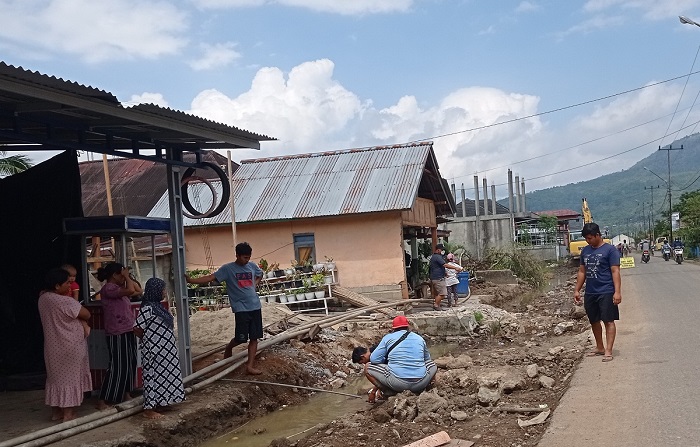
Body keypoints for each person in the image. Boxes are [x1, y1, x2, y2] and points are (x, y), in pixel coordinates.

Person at [186, 242, 264, 375]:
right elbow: (211, 277)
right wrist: (191, 280)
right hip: (241, 308)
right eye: (244, 257)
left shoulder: (252, 266)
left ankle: (250, 366)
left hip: (255, 306)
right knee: (241, 338)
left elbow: (260, 274)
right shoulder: (228, 269)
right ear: (237, 255)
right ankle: (229, 348)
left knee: (254, 337)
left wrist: (254, 285)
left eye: (248, 257)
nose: (247, 260)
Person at [37, 268, 92, 422]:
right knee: (70, 379)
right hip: (70, 345)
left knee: (55, 379)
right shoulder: (65, 301)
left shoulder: (43, 298)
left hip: (52, 347)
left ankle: (56, 412)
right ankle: (68, 414)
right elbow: (86, 314)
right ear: (56, 285)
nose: (70, 285)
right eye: (67, 283)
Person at [133, 278, 185, 419]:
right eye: (162, 289)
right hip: (154, 350)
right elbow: (137, 328)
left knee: (165, 376)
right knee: (152, 377)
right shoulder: (148, 308)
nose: (164, 292)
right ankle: (149, 409)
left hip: (166, 350)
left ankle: (162, 402)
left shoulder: (158, 307)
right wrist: (149, 339)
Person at [95, 262, 142, 410]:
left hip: (127, 329)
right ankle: (103, 399)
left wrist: (127, 276)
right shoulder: (109, 288)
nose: (124, 278)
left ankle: (126, 393)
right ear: (115, 275)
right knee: (118, 366)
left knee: (130, 363)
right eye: (121, 275)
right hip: (117, 332)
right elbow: (130, 290)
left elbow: (137, 290)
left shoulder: (119, 289)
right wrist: (127, 277)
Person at [574, 223, 621, 363]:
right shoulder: (586, 251)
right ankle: (599, 347)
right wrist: (577, 289)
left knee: (608, 320)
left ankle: (608, 350)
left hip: (606, 291)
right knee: (594, 320)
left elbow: (615, 271)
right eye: (586, 239)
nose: (588, 241)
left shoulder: (610, 250)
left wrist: (617, 292)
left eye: (590, 238)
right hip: (590, 292)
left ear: (598, 235)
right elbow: (582, 271)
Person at [363, 316, 437, 399]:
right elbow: (427, 359)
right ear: (408, 326)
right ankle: (428, 388)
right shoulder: (419, 339)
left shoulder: (388, 338)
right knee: (432, 364)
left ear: (393, 328)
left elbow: (374, 360)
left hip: (398, 384)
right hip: (420, 383)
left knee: (367, 367)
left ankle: (389, 392)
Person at [428, 244, 460, 310]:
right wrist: (455, 268)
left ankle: (437, 305)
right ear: (438, 250)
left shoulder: (435, 257)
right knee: (443, 293)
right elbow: (445, 265)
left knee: (441, 293)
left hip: (437, 277)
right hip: (438, 278)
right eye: (442, 250)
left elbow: (437, 267)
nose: (442, 251)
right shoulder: (437, 257)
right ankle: (436, 305)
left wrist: (445, 273)